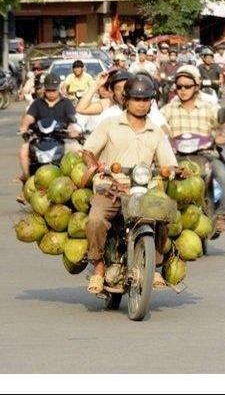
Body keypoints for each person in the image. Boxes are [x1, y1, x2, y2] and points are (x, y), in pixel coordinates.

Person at [82, 74, 178, 294]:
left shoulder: (156, 131)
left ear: (151, 102)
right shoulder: (110, 124)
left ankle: (155, 265)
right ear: (126, 99)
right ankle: (98, 268)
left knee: (163, 216)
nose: (141, 104)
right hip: (111, 188)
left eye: (146, 100)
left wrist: (176, 171)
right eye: (136, 99)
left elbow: (168, 163)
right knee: (95, 219)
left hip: (143, 190)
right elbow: (88, 151)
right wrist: (96, 166)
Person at [161, 66, 225, 230]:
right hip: (177, 157)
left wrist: (222, 135)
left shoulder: (208, 107)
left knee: (222, 175)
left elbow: (222, 120)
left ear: (196, 87)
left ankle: (223, 214)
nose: (183, 90)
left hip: (206, 154)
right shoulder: (168, 109)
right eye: (179, 86)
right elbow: (159, 127)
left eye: (187, 86)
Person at [18, 74, 81, 182]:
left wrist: (73, 130)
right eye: (48, 90)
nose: (51, 93)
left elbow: (72, 120)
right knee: (23, 151)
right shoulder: (37, 103)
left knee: (79, 151)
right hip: (40, 139)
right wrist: (24, 127)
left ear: (58, 89)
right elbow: (29, 118)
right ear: (44, 89)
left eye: (54, 90)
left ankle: (76, 184)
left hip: (62, 139)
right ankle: (27, 180)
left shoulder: (66, 103)